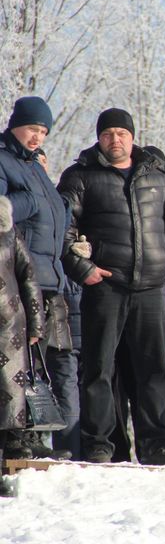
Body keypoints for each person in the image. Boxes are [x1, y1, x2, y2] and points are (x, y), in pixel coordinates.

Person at [57, 108, 165, 465]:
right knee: (99, 367)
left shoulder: (156, 175)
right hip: (105, 286)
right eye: (108, 134)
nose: (114, 140)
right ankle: (99, 443)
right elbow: (62, 227)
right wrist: (82, 268)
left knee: (154, 370)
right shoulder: (81, 176)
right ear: (99, 138)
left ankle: (157, 444)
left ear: (132, 137)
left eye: (121, 133)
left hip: (151, 288)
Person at [0, 96, 74, 461]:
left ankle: (29, 434)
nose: (38, 137)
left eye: (44, 131)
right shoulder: (3, 159)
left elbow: (52, 209)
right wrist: (31, 201)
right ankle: (14, 437)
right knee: (17, 359)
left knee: (36, 360)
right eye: (33, 128)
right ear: (16, 124)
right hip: (17, 276)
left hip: (47, 276)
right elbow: (5, 210)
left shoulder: (33, 165)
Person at [0, 196, 45, 495]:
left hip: (9, 326)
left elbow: (28, 276)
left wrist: (37, 322)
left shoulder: (9, 230)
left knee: (10, 394)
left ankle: (10, 467)